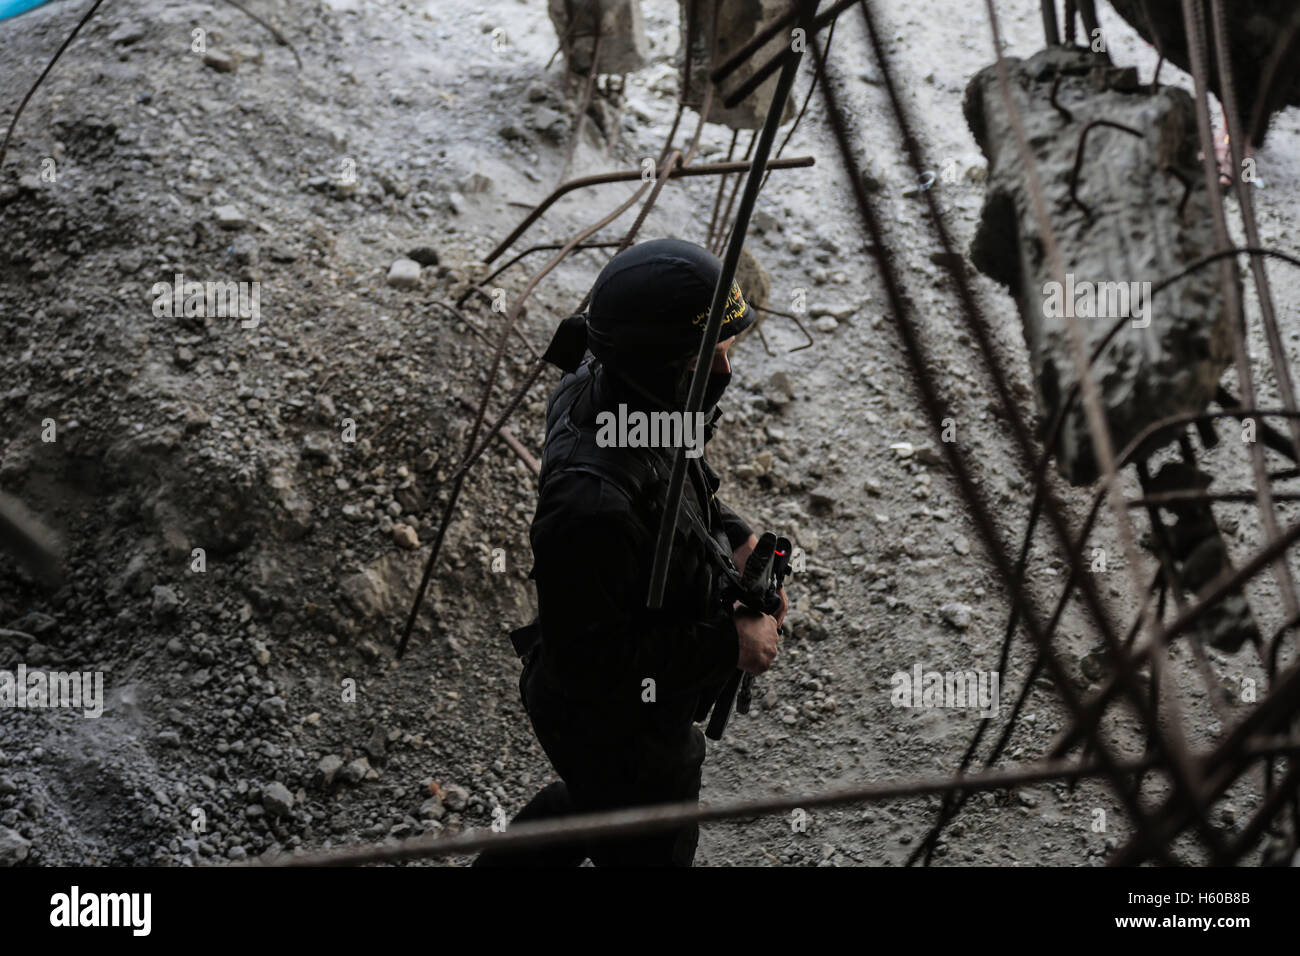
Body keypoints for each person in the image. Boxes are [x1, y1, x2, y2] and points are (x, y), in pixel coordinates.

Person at [474, 238, 786, 867]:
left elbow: (669, 471)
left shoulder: (617, 390)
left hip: (627, 724)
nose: (728, 371)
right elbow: (590, 665)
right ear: (664, 367)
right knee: (641, 833)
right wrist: (732, 644)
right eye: (715, 357)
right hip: (613, 723)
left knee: (590, 807)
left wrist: (732, 533)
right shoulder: (588, 510)